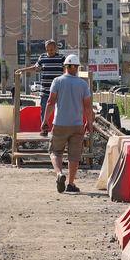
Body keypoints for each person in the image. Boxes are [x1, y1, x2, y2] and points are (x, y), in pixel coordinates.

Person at [41, 54, 94, 194]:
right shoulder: (83, 84)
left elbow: (50, 102)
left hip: (60, 123)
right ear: (77, 68)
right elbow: (88, 106)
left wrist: (45, 120)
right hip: (77, 124)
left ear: (64, 67)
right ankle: (70, 183)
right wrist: (89, 123)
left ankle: (59, 174)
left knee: (55, 151)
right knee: (75, 155)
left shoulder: (57, 81)